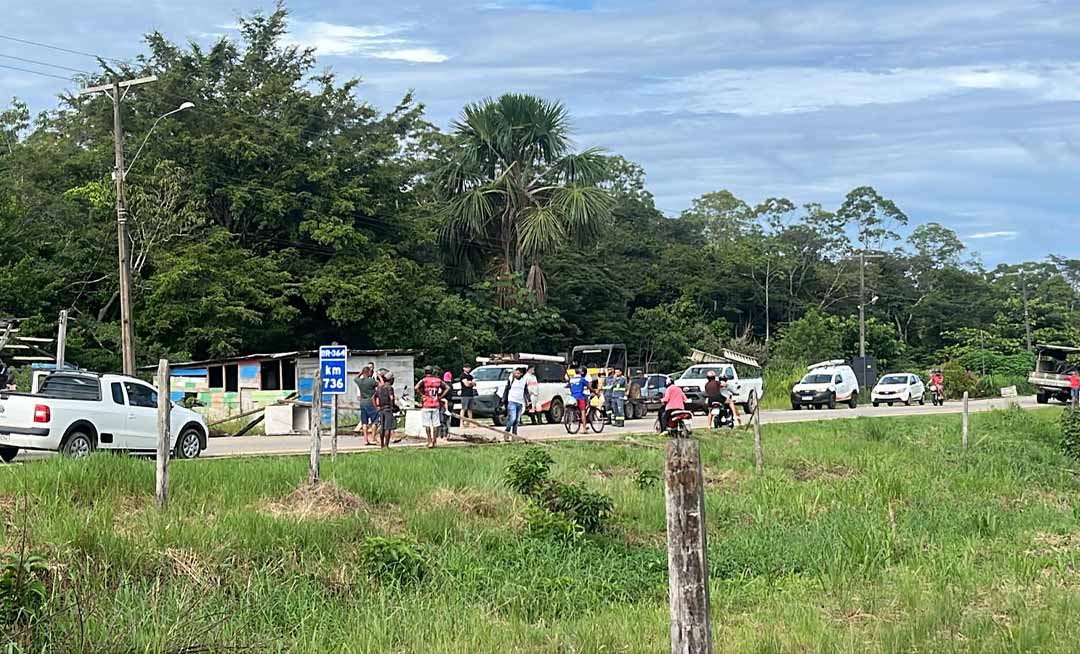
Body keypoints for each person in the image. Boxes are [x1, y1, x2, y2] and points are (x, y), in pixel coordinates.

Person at [415, 366, 447, 448]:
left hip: (426, 404)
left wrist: (422, 395)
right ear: (432, 372)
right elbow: (447, 387)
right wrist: (440, 396)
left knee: (427, 424)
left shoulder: (424, 380)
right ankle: (434, 441)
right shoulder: (438, 380)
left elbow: (416, 387)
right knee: (435, 424)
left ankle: (429, 441)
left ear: (425, 372)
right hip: (435, 404)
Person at [352, 365, 379, 446]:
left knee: (364, 422)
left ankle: (365, 440)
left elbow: (355, 378)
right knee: (375, 420)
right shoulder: (371, 381)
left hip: (362, 402)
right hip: (370, 401)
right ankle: (373, 438)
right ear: (369, 372)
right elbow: (379, 384)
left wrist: (360, 373)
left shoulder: (360, 381)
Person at [502, 367, 531, 441]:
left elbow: (526, 391)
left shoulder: (524, 381)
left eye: (518, 373)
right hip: (512, 401)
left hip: (520, 402)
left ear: (521, 374)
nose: (516, 374)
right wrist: (504, 399)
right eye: (516, 373)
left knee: (517, 421)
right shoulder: (512, 379)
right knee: (512, 418)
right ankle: (507, 432)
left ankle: (514, 436)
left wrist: (529, 401)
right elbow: (506, 389)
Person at [373, 371, 398, 448]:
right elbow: (391, 398)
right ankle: (386, 445)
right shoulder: (389, 388)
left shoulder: (379, 388)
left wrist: (376, 406)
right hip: (388, 408)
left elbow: (373, 397)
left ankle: (382, 445)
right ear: (390, 380)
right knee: (388, 428)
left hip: (381, 409)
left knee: (382, 428)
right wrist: (393, 406)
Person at [567, 367, 591, 432]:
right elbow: (589, 386)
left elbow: (567, 386)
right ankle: (584, 429)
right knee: (583, 412)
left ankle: (569, 426)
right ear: (580, 373)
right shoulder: (582, 379)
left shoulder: (571, 379)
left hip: (572, 397)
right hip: (580, 396)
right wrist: (594, 391)